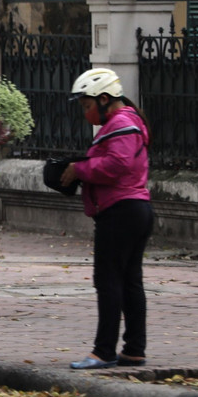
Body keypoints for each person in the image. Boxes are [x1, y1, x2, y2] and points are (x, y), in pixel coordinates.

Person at [60, 68, 154, 370]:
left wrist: (79, 170)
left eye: (87, 106)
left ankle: (104, 351)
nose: (85, 113)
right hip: (133, 210)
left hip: (121, 211)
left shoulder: (122, 123)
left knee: (109, 280)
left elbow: (117, 164)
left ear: (104, 99)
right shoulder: (126, 123)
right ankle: (134, 350)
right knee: (129, 282)